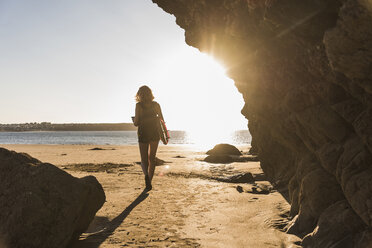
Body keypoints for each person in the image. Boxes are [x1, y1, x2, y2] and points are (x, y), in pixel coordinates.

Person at [132, 85, 164, 191]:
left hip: (143, 132)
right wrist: (164, 135)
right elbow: (162, 120)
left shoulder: (139, 106)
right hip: (155, 132)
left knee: (144, 159)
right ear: (150, 93)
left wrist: (134, 120)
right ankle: (149, 181)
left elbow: (136, 123)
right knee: (152, 159)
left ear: (139, 95)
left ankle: (146, 176)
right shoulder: (156, 105)